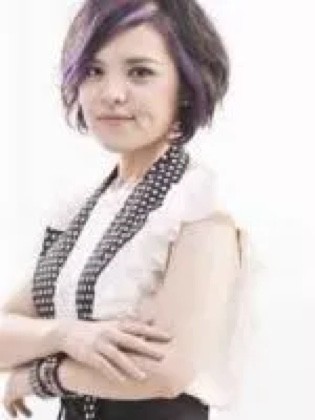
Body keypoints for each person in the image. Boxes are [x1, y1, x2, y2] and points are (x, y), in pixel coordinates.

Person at [0, 0, 256, 419]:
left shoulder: (199, 211)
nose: (111, 94)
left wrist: (40, 376)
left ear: (186, 85)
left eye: (140, 72)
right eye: (93, 70)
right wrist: (66, 334)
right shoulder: (86, 210)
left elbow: (165, 372)